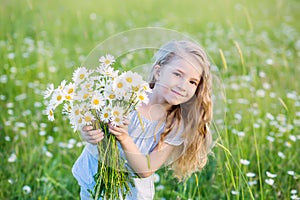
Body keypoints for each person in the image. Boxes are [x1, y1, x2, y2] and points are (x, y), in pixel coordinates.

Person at [72, 40, 213, 199]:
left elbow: (146, 169)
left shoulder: (176, 124)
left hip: (129, 193)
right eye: (177, 74)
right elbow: (95, 122)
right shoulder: (126, 94)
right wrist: (89, 133)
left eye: (192, 82)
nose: (183, 86)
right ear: (158, 72)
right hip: (94, 176)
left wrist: (124, 138)